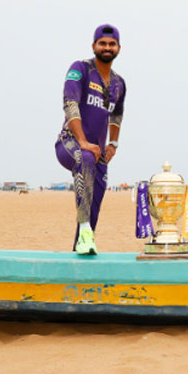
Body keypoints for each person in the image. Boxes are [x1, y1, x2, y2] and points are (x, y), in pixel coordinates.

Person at [55, 24, 126, 255]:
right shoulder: (81, 69)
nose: (107, 47)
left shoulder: (119, 83)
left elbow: (116, 114)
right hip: (69, 144)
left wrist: (113, 144)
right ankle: (85, 231)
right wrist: (83, 141)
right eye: (102, 43)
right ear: (94, 46)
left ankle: (83, 245)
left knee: (96, 197)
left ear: (118, 48)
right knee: (84, 157)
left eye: (111, 44)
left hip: (97, 152)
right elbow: (70, 102)